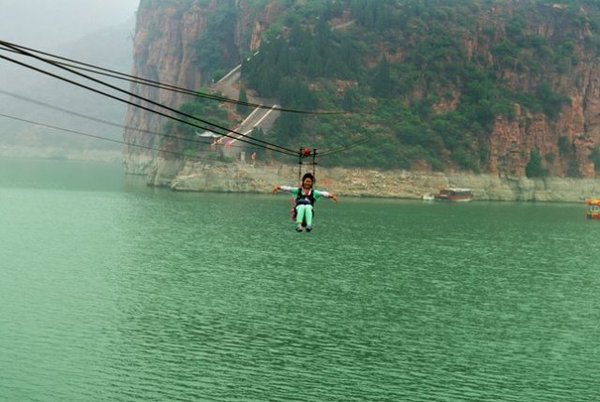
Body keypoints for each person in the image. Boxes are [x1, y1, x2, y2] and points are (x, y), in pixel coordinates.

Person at [272, 172, 338, 232]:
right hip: (298, 211)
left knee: (308, 206)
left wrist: (331, 196)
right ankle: (299, 225)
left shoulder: (314, 193)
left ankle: (309, 225)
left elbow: (323, 193)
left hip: (309, 212)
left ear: (311, 183)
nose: (307, 183)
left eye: (309, 182)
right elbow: (289, 189)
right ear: (303, 182)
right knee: (302, 206)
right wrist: (279, 188)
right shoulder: (298, 191)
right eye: (306, 181)